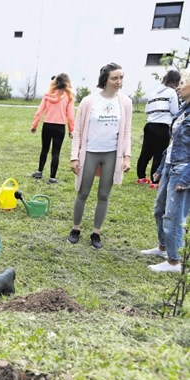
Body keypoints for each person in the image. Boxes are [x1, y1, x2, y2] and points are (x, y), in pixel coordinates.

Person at [68, 62, 132, 249]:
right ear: (105, 79)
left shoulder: (125, 102)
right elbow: (78, 131)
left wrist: (126, 156)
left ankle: (96, 232)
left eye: (121, 78)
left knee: (104, 194)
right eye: (115, 78)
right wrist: (74, 157)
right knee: (83, 192)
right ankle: (76, 229)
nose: (119, 82)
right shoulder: (89, 101)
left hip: (112, 153)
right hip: (90, 152)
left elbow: (127, 132)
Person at [141, 69, 190, 272]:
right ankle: (163, 248)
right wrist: (161, 167)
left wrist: (186, 178)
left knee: (174, 215)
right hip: (171, 166)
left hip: (182, 170)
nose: (179, 86)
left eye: (183, 82)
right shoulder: (183, 110)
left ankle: (174, 261)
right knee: (159, 210)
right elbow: (173, 143)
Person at [136, 70, 181, 188]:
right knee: (159, 155)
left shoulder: (154, 92)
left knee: (146, 152)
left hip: (150, 125)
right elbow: (175, 111)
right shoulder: (171, 92)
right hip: (162, 126)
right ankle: (155, 181)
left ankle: (141, 177)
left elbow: (146, 110)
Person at [30, 73, 75, 184]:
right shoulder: (69, 97)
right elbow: (70, 116)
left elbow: (39, 112)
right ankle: (52, 178)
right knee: (56, 152)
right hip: (60, 127)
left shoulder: (47, 95)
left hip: (47, 126)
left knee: (44, 149)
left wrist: (34, 125)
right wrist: (71, 130)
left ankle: (39, 172)